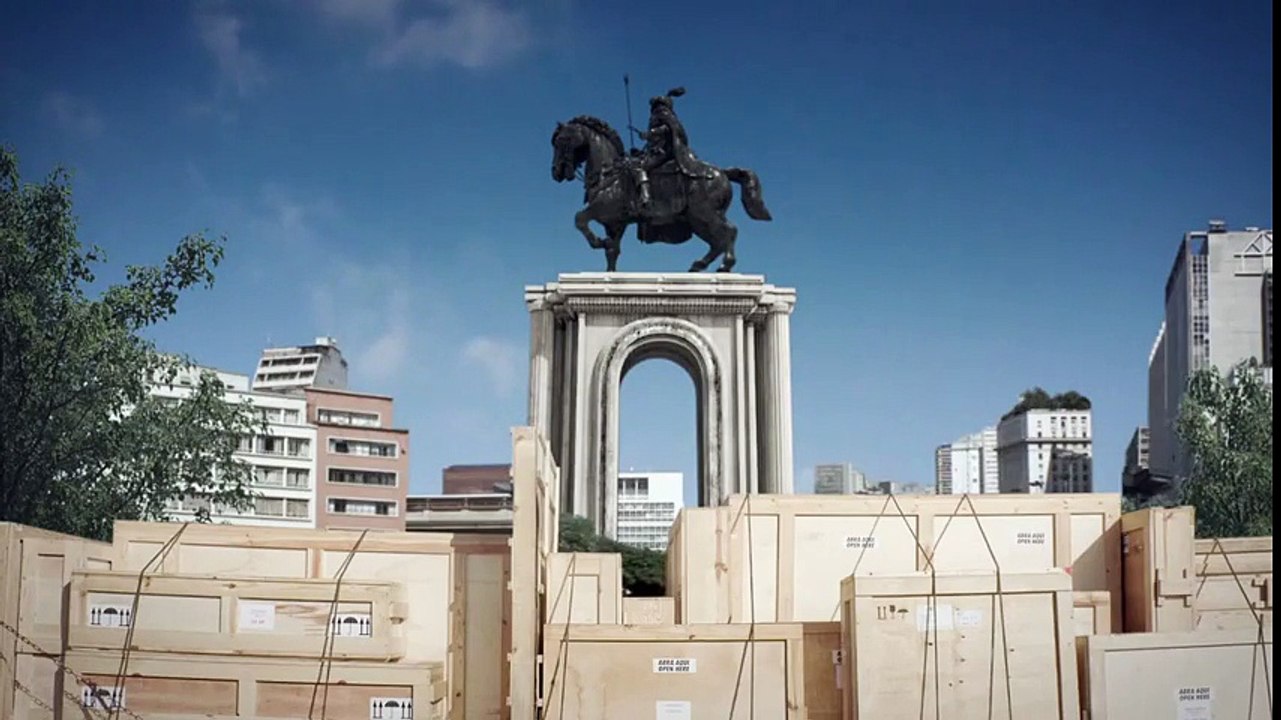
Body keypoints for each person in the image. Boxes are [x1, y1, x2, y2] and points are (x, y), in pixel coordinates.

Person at [631, 87, 697, 209]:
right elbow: (654, 142)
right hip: (659, 150)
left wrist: (649, 133)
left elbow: (668, 129)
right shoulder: (665, 115)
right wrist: (641, 149)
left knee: (639, 167)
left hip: (665, 151)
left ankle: (645, 197)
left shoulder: (662, 114)